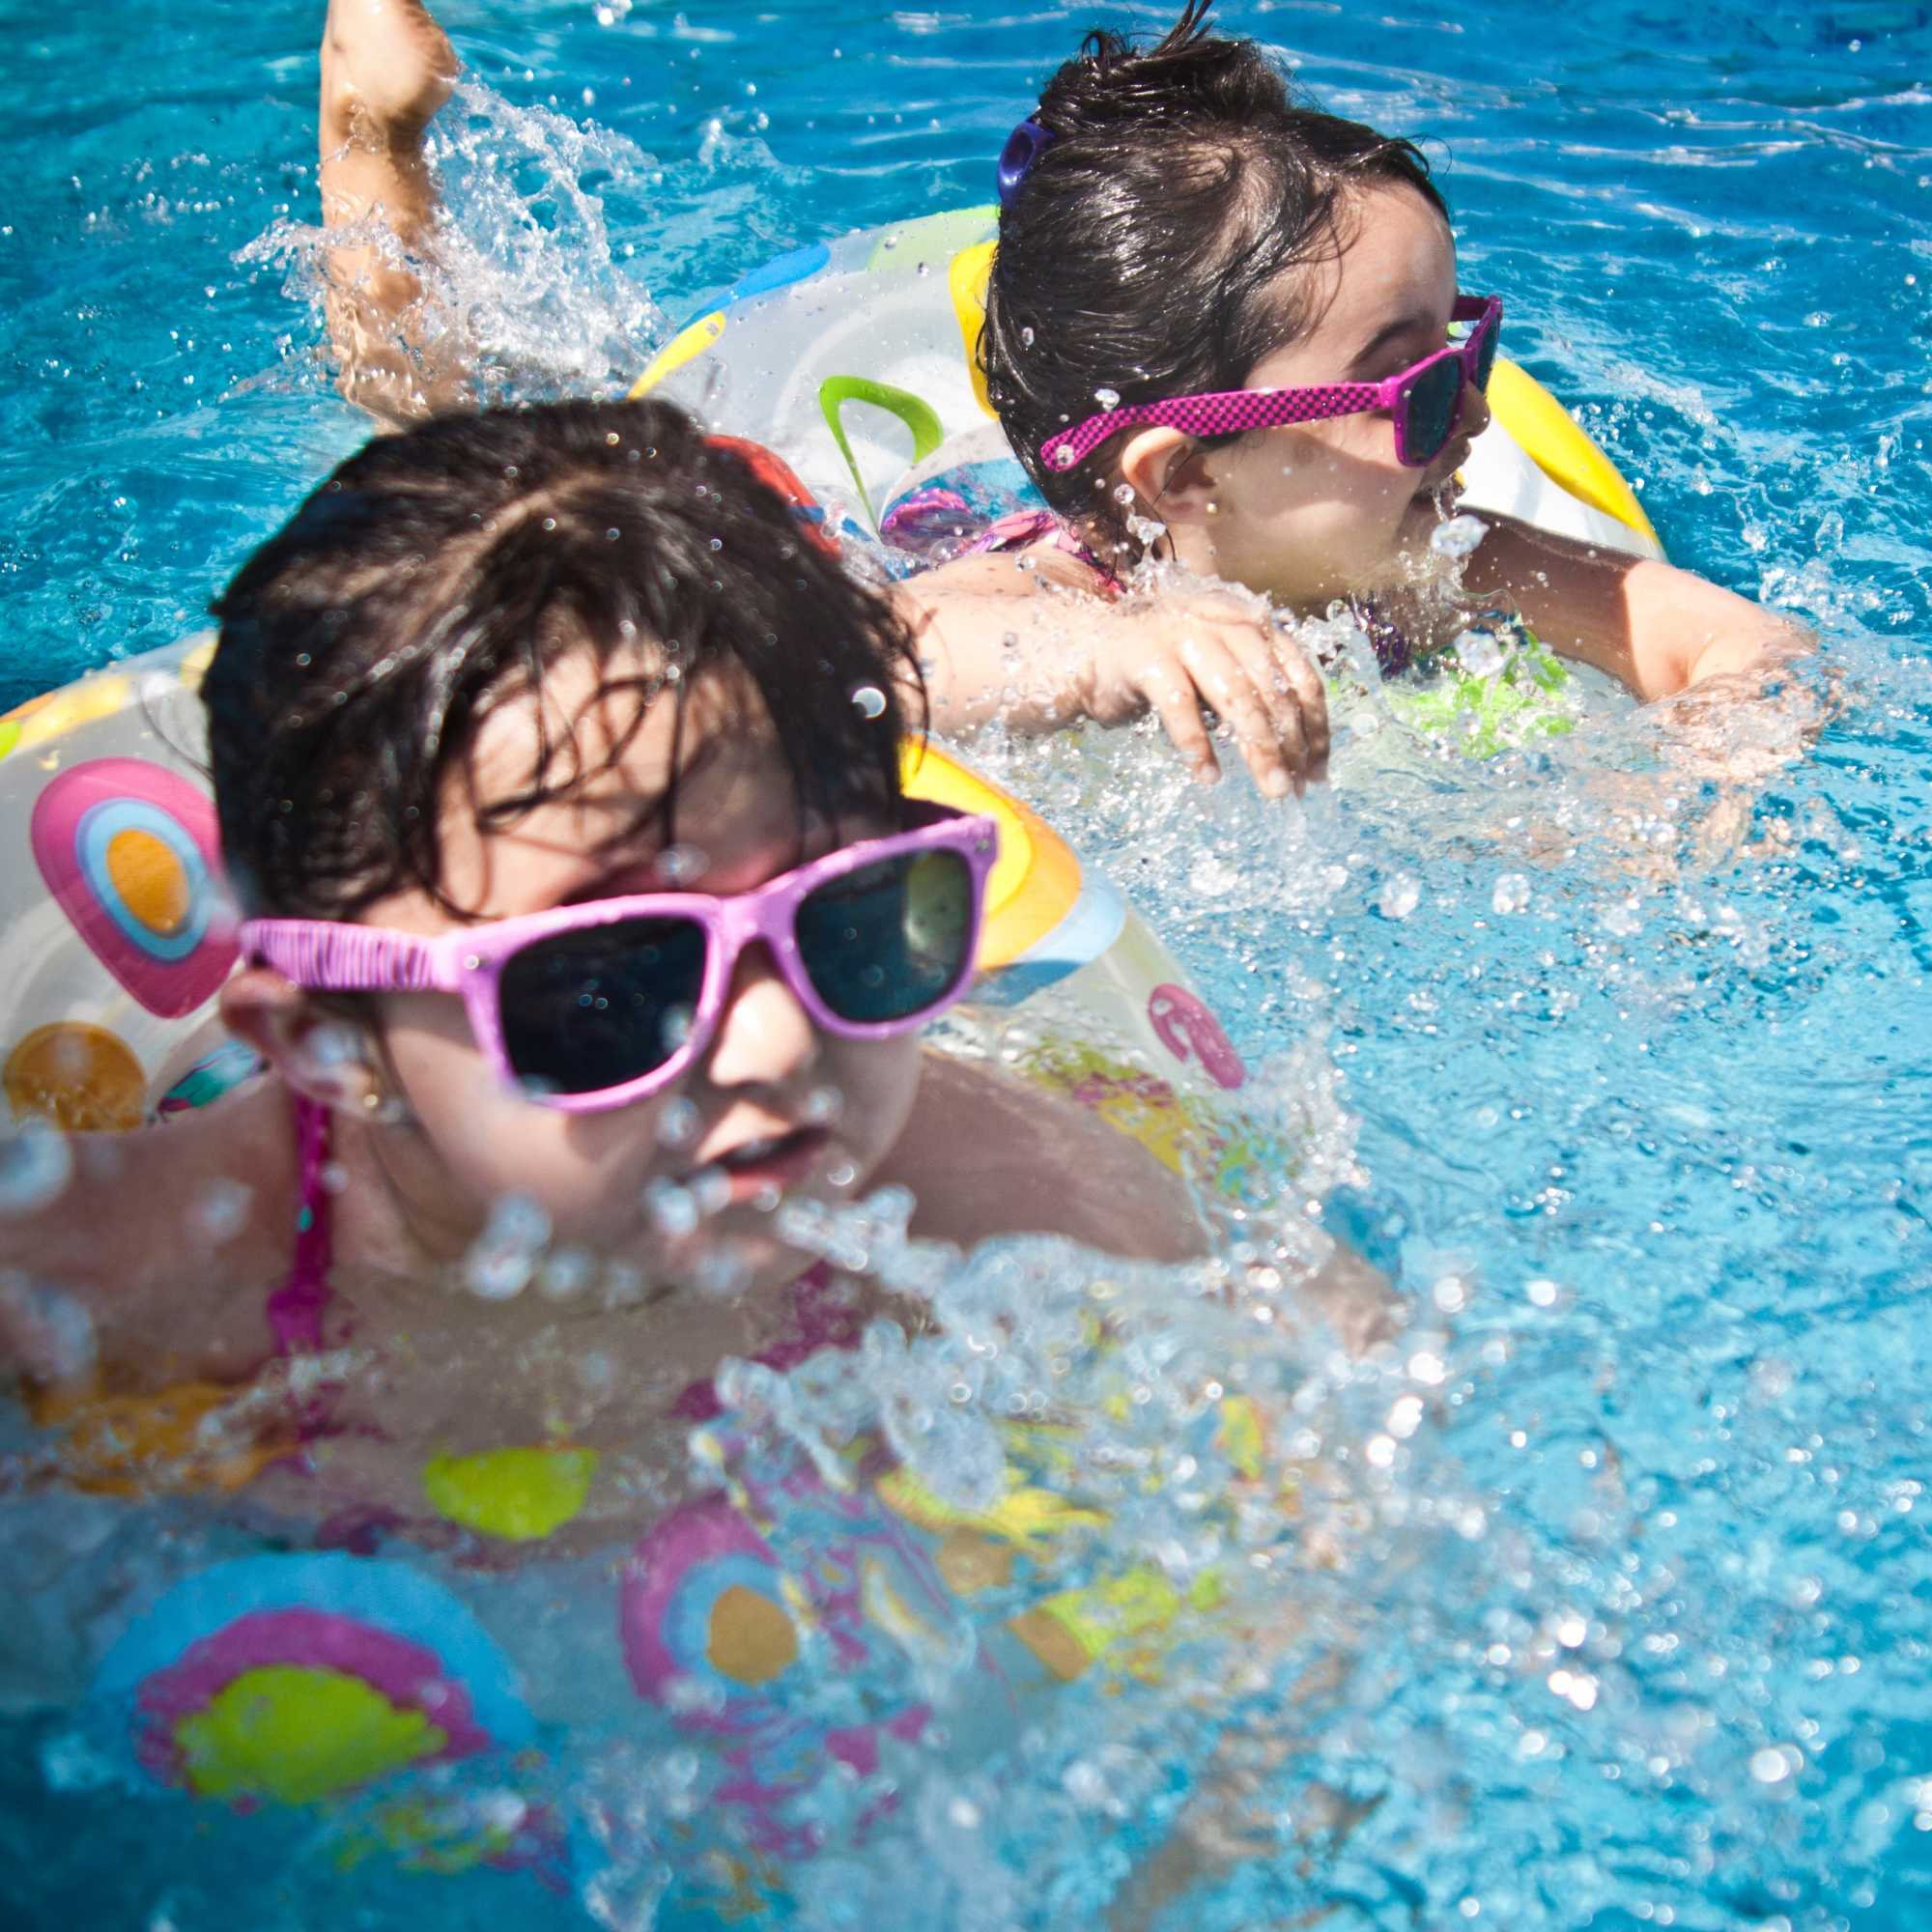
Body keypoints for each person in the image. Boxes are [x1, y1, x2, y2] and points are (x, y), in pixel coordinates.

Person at [0, 399, 1202, 1521]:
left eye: (849, 919)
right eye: (609, 984)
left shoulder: (996, 1204)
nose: (778, 1040)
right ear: (330, 1037)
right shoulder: (131, 1282)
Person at [901, 0, 1813, 788]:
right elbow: (846, 667)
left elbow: (1749, 646)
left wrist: (1705, 781)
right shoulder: (1061, 598)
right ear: (1184, 471)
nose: (1474, 419)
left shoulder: (1435, 568)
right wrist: (1098, 661)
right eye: (1410, 388)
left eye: (1463, 355)